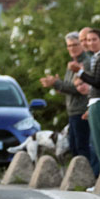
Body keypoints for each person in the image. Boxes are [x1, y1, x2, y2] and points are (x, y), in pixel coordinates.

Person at [39, 32, 92, 160]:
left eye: (75, 44)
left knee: (81, 147)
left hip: (82, 109)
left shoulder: (86, 62)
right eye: (69, 46)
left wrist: (57, 83)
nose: (71, 48)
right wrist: (57, 85)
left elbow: (80, 88)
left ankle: (86, 176)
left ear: (82, 44)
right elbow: (69, 86)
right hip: (72, 110)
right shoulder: (71, 64)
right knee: (73, 146)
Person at [76, 29, 100, 168]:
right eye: (88, 40)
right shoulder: (99, 57)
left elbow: (98, 82)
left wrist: (79, 72)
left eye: (94, 39)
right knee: (97, 143)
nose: (91, 43)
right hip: (97, 102)